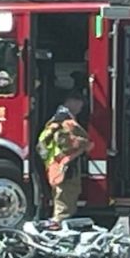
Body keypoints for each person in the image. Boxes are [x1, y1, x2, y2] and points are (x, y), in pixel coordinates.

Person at [37, 91, 93, 227]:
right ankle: (59, 223)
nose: (81, 108)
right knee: (65, 194)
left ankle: (60, 221)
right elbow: (64, 141)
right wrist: (85, 143)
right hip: (65, 163)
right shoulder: (65, 120)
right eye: (80, 104)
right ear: (72, 102)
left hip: (60, 163)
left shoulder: (59, 117)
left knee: (64, 192)